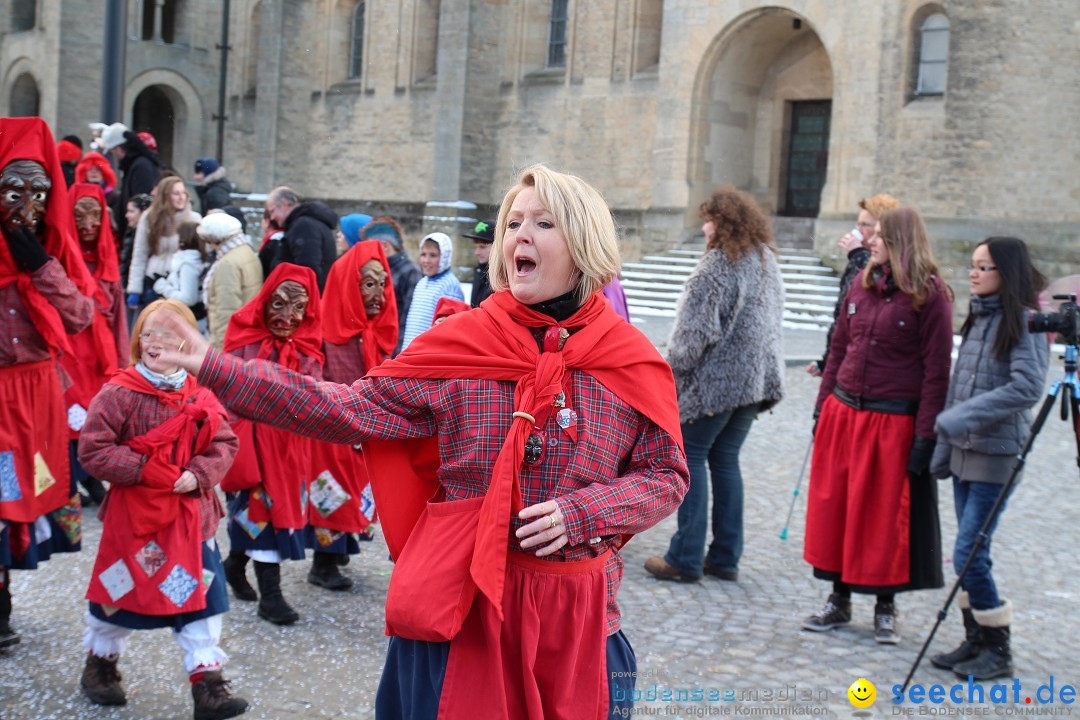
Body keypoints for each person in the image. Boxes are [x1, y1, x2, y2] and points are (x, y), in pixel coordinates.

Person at [153, 164, 688, 719]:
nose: (519, 236)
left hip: (578, 621)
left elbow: (666, 475)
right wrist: (216, 367)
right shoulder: (460, 345)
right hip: (462, 614)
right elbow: (342, 408)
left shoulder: (629, 361)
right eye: (514, 224)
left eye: (543, 223)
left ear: (584, 243)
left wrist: (584, 512)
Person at [76, 300, 249, 719]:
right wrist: (145, 469)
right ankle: (100, 665)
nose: (156, 342)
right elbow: (93, 450)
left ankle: (207, 686)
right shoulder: (118, 393)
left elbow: (225, 444)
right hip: (134, 520)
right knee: (121, 593)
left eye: (168, 333)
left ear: (186, 341)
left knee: (201, 598)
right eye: (148, 333)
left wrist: (199, 474)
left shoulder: (202, 393)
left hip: (192, 518)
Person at [802, 207, 953, 644]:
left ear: (903, 241)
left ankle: (886, 605)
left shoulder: (930, 295)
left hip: (893, 421)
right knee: (840, 509)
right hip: (846, 413)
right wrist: (822, 406)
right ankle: (838, 598)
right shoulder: (860, 285)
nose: (871, 241)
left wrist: (925, 436)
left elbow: (936, 371)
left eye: (882, 235)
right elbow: (840, 350)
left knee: (885, 517)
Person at [644, 186, 785, 584]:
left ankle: (685, 557)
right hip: (753, 384)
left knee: (691, 460)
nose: (703, 228)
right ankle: (724, 557)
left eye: (708, 219)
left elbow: (692, 338)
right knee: (725, 462)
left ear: (721, 224)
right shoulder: (765, 262)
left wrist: (665, 374)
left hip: (715, 385)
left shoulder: (716, 267)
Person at [928, 238, 1049, 680]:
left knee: (969, 552)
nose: (974, 274)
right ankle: (976, 638)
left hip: (995, 454)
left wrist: (961, 418)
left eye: (984, 267)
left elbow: (1027, 387)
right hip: (964, 452)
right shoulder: (979, 316)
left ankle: (999, 649)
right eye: (972, 265)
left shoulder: (1024, 320)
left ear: (1008, 272)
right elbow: (960, 383)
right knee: (970, 552)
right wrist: (946, 443)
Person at [0, 117, 95, 649]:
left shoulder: (50, 253)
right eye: (13, 190)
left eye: (39, 191)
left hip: (34, 397)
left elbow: (80, 316)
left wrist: (38, 264)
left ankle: (3, 600)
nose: (27, 206)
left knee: (14, 499)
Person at [218, 264, 323, 625]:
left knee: (275, 515)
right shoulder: (243, 341)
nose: (288, 316)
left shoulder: (308, 348)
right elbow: (224, 394)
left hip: (290, 450)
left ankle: (233, 564)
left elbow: (314, 396)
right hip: (253, 447)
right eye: (278, 305)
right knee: (259, 514)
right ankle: (271, 596)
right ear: (263, 303)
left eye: (298, 308)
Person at [306, 240, 397, 590]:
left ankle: (340, 550)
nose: (379, 293)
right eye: (369, 284)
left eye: (383, 284)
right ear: (349, 286)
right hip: (332, 430)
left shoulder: (376, 331)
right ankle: (323, 562)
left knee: (358, 491)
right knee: (334, 492)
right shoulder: (328, 330)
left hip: (365, 428)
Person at [60, 183, 130, 507]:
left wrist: (123, 363)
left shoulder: (108, 262)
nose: (88, 223)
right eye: (79, 215)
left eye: (94, 214)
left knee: (96, 417)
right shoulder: (56, 260)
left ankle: (89, 475)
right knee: (67, 415)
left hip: (100, 359)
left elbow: (118, 318)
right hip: (68, 354)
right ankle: (75, 478)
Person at [808, 194, 900, 377]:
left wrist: (858, 254)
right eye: (858, 224)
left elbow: (869, 293)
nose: (858, 230)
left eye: (865, 225)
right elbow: (843, 317)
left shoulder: (887, 265)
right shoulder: (861, 257)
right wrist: (827, 361)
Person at [126, 176, 201, 313]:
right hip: (153, 278)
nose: (181, 197)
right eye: (176, 193)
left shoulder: (193, 218)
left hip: (180, 281)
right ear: (165, 196)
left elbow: (200, 254)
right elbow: (140, 254)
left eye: (183, 193)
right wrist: (134, 289)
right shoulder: (150, 217)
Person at [200, 213, 263, 351]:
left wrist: (221, 348)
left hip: (231, 340)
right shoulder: (246, 251)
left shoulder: (228, 263)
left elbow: (226, 310)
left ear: (215, 239)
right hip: (246, 333)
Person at [362, 216, 419, 354]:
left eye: (370, 245)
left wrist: (396, 355)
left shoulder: (410, 272)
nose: (367, 251)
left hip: (393, 351)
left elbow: (408, 319)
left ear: (385, 246)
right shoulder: (379, 268)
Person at [399, 232, 465, 350]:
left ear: (444, 256)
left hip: (427, 353)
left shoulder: (449, 284)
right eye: (423, 255)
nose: (426, 260)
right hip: (410, 350)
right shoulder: (422, 282)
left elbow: (447, 329)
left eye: (433, 255)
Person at [264, 186, 338, 291]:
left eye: (272, 211)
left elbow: (307, 270)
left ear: (285, 204)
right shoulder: (306, 223)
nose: (272, 218)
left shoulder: (303, 226)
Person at [100, 123, 162, 240]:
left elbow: (142, 205)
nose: (114, 157)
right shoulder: (137, 165)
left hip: (138, 237)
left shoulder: (140, 167)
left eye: (112, 153)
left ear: (118, 149)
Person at [153, 221, 206, 313]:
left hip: (191, 317)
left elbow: (189, 299)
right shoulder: (190, 259)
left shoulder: (189, 264)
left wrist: (161, 285)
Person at [464, 219, 494, 307]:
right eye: (476, 247)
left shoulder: (503, 279)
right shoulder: (479, 272)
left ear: (497, 246)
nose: (476, 252)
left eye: (482, 247)